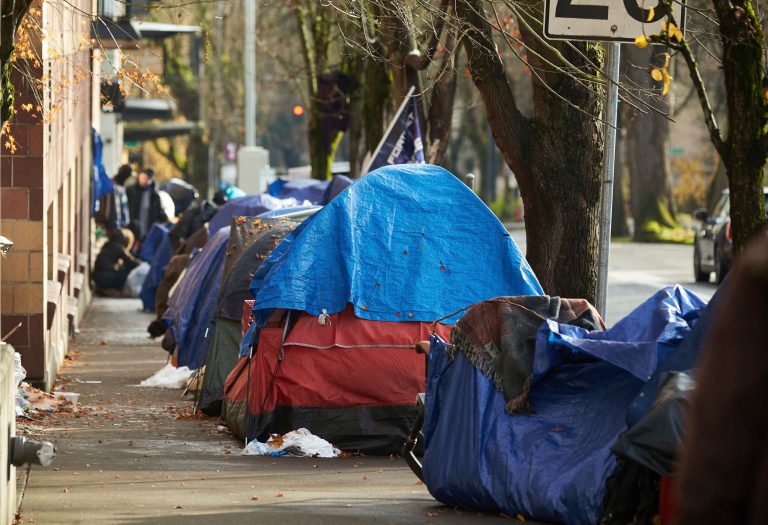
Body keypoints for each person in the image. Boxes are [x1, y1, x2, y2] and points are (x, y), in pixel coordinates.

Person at [93, 229, 140, 296]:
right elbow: (131, 262)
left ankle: (105, 289)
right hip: (106, 278)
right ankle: (116, 289)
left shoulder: (107, 245)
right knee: (129, 269)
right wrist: (142, 264)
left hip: (98, 277)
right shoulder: (118, 247)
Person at [126, 167, 167, 240]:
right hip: (133, 227)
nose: (143, 180)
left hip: (148, 228)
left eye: (146, 178)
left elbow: (159, 213)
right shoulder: (131, 191)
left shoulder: (155, 196)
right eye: (142, 177)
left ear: (150, 180)